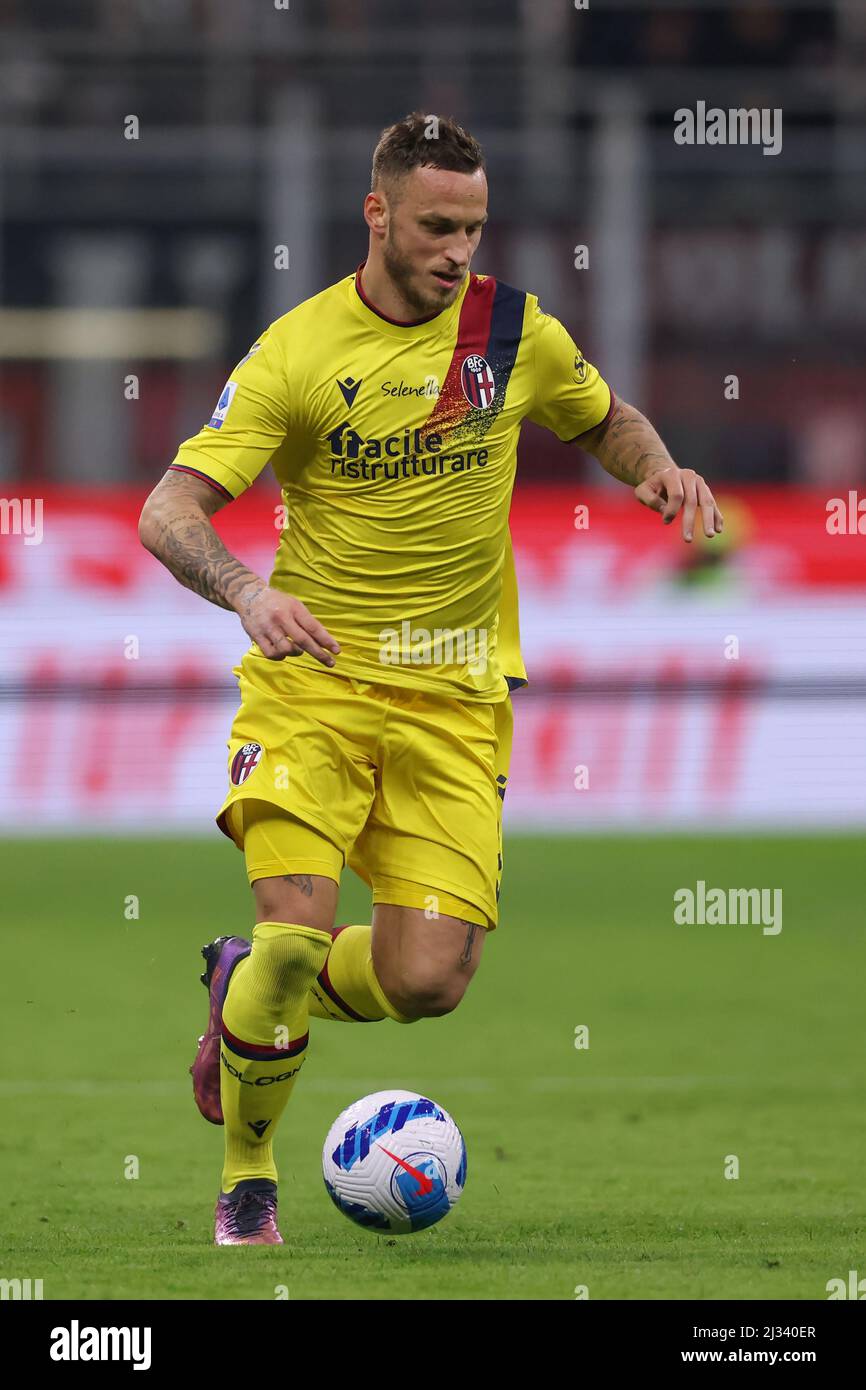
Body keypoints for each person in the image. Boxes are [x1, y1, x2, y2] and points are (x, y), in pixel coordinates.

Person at [138, 110, 722, 1245]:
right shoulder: (296, 353)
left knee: (424, 983)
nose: (458, 250)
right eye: (436, 226)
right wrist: (251, 595)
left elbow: (604, 421)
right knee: (298, 934)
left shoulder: (511, 330)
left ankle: (237, 983)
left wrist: (657, 468)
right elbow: (170, 511)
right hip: (316, 683)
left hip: (458, 694)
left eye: (474, 227)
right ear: (376, 214)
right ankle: (248, 1179)